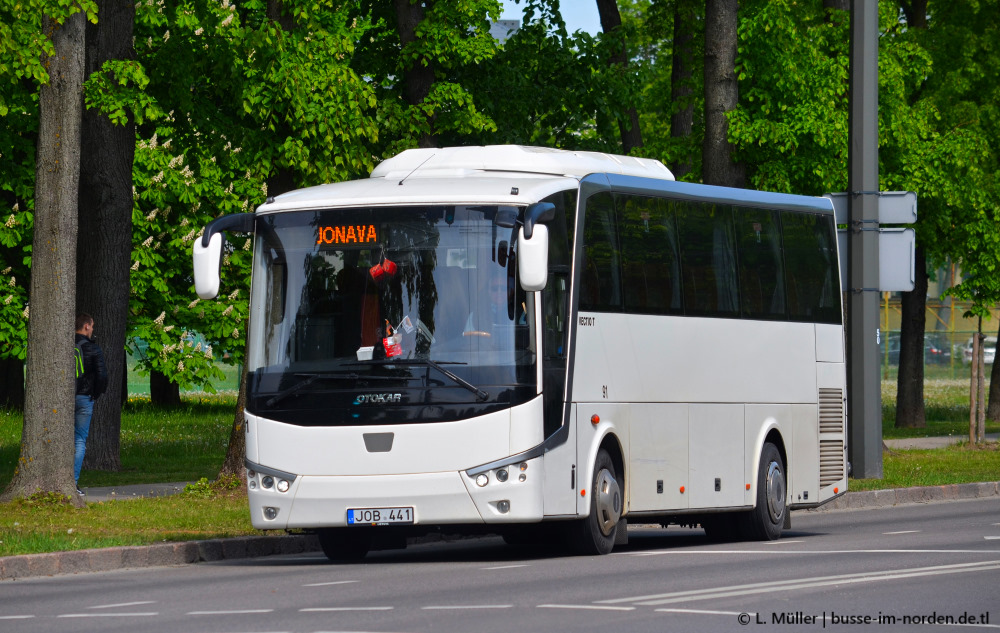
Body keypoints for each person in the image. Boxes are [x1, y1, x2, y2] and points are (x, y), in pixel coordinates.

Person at [74, 313, 107, 495]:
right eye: (92, 326)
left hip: (64, 399)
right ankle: (73, 482)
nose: (93, 329)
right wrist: (95, 393)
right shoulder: (93, 349)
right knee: (79, 439)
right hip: (84, 398)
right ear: (86, 326)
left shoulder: (65, 345)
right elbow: (102, 376)